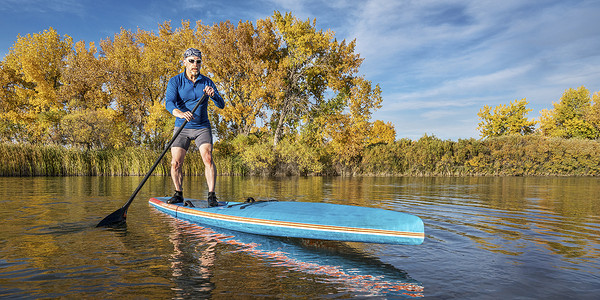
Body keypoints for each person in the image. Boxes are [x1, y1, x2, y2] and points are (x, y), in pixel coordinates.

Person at [164, 48, 225, 207]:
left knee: (208, 158)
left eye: (198, 61)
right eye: (191, 61)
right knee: (175, 163)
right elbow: (169, 103)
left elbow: (221, 104)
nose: (195, 64)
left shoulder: (207, 82)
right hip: (182, 126)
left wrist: (213, 95)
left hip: (202, 127)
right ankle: (178, 194)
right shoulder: (175, 81)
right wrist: (180, 113)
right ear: (184, 62)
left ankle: (211, 195)